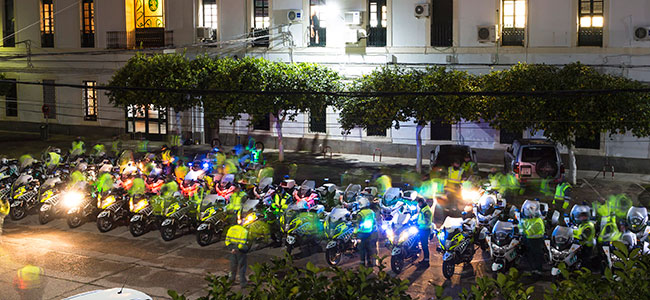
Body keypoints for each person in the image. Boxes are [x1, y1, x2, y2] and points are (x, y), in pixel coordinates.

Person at [518, 200, 545, 276]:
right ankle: (532, 269)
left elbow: (530, 231)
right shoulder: (527, 219)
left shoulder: (538, 221)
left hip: (536, 241)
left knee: (536, 255)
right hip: (528, 240)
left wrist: (521, 231)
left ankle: (538, 270)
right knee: (529, 255)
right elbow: (521, 225)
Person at [356, 197, 377, 267]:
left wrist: (354, 233)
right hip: (370, 232)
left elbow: (357, 224)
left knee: (362, 248)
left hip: (361, 233)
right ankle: (370, 261)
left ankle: (362, 263)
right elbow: (374, 222)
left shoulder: (360, 213)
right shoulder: (371, 212)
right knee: (369, 248)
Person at [417, 197, 433, 267]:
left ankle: (426, 262)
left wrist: (418, 222)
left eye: (419, 203)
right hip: (422, 229)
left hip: (425, 230)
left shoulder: (426, 210)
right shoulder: (423, 209)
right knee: (423, 245)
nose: (418, 204)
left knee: (425, 246)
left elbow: (427, 221)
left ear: (422, 203)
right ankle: (424, 259)